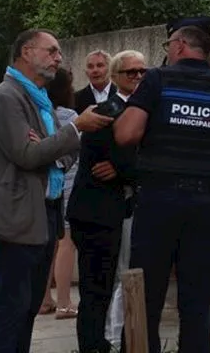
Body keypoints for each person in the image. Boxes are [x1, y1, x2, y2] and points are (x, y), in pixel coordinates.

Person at [114, 26, 210, 353]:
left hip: (158, 201)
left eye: (169, 45)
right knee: (196, 303)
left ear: (180, 46)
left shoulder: (157, 80)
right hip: (206, 205)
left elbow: (126, 133)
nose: (168, 50)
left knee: (146, 297)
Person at [0, 29, 111, 353]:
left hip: (45, 212)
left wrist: (50, 144)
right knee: (13, 304)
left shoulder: (39, 99)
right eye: (51, 50)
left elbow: (60, 156)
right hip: (18, 214)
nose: (58, 58)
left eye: (58, 52)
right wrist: (73, 129)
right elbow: (28, 155)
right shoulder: (5, 98)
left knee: (31, 304)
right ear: (26, 52)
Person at [67, 51, 145, 353]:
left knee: (124, 280)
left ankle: (119, 340)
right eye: (130, 73)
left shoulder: (143, 111)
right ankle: (93, 346)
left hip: (123, 210)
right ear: (115, 78)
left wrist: (125, 170)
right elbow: (106, 162)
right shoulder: (105, 111)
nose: (138, 77)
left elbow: (134, 162)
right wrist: (128, 170)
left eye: (142, 71)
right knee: (96, 288)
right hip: (96, 214)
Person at [40, 69, 81, 320]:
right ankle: (65, 302)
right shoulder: (71, 117)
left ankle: (44, 299)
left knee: (49, 245)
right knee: (67, 243)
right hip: (69, 182)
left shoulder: (39, 114)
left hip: (46, 185)